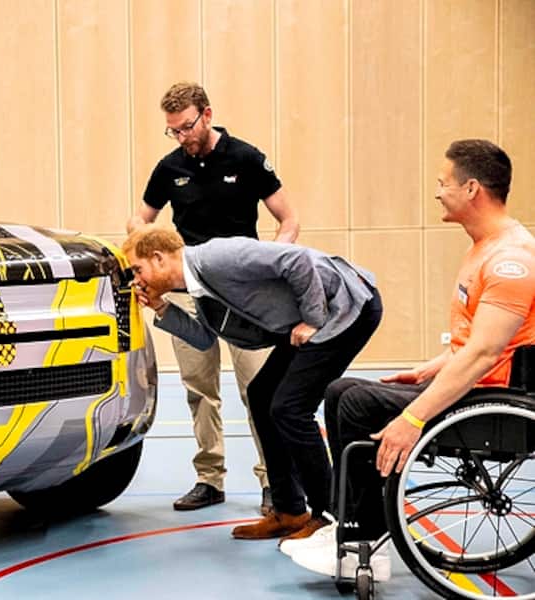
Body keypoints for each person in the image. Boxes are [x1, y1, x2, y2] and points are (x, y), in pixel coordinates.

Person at [285, 139, 535, 581]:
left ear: (472, 188)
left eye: (443, 183)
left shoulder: (510, 261)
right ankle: (350, 524)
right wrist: (429, 369)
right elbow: (474, 342)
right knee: (341, 390)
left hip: (494, 401)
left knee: (357, 404)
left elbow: (484, 354)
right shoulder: (485, 246)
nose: (437, 192)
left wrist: (413, 419)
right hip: (478, 384)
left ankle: (368, 537)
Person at [122, 225, 382, 543]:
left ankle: (328, 517)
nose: (138, 280)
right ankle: (289, 511)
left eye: (138, 269)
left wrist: (312, 318)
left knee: (290, 408)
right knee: (261, 395)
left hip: (346, 308)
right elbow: (204, 340)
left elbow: (297, 260)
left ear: (159, 258)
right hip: (313, 317)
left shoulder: (216, 257)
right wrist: (160, 307)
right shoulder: (198, 285)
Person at [127, 81, 299, 512]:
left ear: (206, 114)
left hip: (242, 295)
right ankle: (209, 478)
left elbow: (289, 219)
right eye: (173, 130)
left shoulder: (246, 158)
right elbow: (139, 219)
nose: (181, 137)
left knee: (258, 389)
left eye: (186, 127)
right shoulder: (169, 168)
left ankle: (273, 480)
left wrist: (270, 261)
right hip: (188, 290)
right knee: (199, 388)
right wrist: (146, 246)